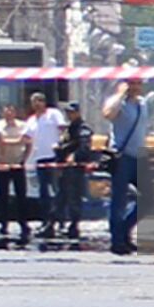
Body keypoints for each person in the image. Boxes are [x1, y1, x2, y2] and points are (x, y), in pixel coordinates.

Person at [103, 77, 150, 256]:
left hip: (139, 156)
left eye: (138, 83)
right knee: (119, 200)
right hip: (121, 157)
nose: (135, 87)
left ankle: (124, 230)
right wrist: (121, 94)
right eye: (131, 83)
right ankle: (117, 241)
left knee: (148, 198)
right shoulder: (118, 103)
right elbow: (108, 114)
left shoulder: (142, 104)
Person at [24, 92, 67, 237]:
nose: (38, 103)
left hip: (53, 157)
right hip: (39, 159)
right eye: (35, 101)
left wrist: (61, 147)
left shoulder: (54, 114)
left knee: (57, 190)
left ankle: (61, 221)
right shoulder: (31, 121)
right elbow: (26, 139)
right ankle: (46, 221)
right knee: (43, 193)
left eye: (41, 100)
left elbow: (63, 130)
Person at [53, 102, 93, 239]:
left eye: (72, 112)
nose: (69, 115)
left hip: (75, 168)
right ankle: (55, 223)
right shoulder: (69, 128)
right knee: (60, 197)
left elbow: (84, 146)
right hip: (64, 168)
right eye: (68, 113)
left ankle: (73, 225)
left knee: (74, 198)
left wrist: (74, 156)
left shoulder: (82, 128)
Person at [0, 103, 31, 242]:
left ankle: (23, 223)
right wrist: (15, 142)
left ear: (15, 112)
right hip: (2, 164)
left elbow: (27, 142)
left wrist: (24, 159)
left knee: (21, 195)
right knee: (2, 196)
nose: (9, 113)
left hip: (17, 164)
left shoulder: (22, 126)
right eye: (6, 111)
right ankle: (3, 223)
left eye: (11, 110)